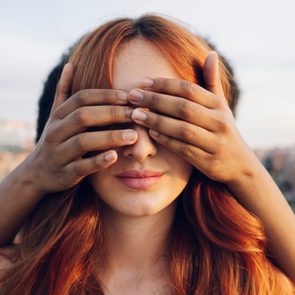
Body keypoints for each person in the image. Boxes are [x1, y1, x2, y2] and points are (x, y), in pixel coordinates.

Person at [0, 14, 294, 294]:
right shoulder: (19, 278)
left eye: (169, 118)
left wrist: (243, 170)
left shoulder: (255, 284)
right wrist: (34, 174)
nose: (140, 150)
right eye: (109, 120)